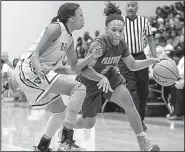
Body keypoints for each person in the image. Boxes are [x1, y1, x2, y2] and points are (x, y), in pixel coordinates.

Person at [14, 3, 102, 151]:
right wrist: (39, 67)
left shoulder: (70, 39)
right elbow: (35, 54)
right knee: (79, 89)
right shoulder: (55, 28)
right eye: (80, 14)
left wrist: (91, 57)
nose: (83, 18)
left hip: (38, 73)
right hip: (29, 69)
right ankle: (66, 141)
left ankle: (42, 147)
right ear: (71, 18)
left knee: (60, 113)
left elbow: (75, 67)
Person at [74, 2, 160, 151]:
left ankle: (143, 144)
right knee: (88, 123)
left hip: (109, 77)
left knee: (129, 102)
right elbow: (84, 70)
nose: (118, 34)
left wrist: (149, 61)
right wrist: (100, 78)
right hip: (90, 82)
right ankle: (64, 125)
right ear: (106, 29)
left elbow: (132, 65)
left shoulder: (122, 44)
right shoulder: (99, 44)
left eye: (121, 30)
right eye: (114, 30)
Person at [118, 1, 157, 131]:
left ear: (137, 7)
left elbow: (150, 39)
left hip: (140, 56)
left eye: (133, 5)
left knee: (143, 90)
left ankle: (140, 118)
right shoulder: (120, 21)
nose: (130, 8)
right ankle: (137, 121)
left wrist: (154, 56)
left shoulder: (143, 21)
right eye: (128, 5)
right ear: (125, 7)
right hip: (124, 58)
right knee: (131, 88)